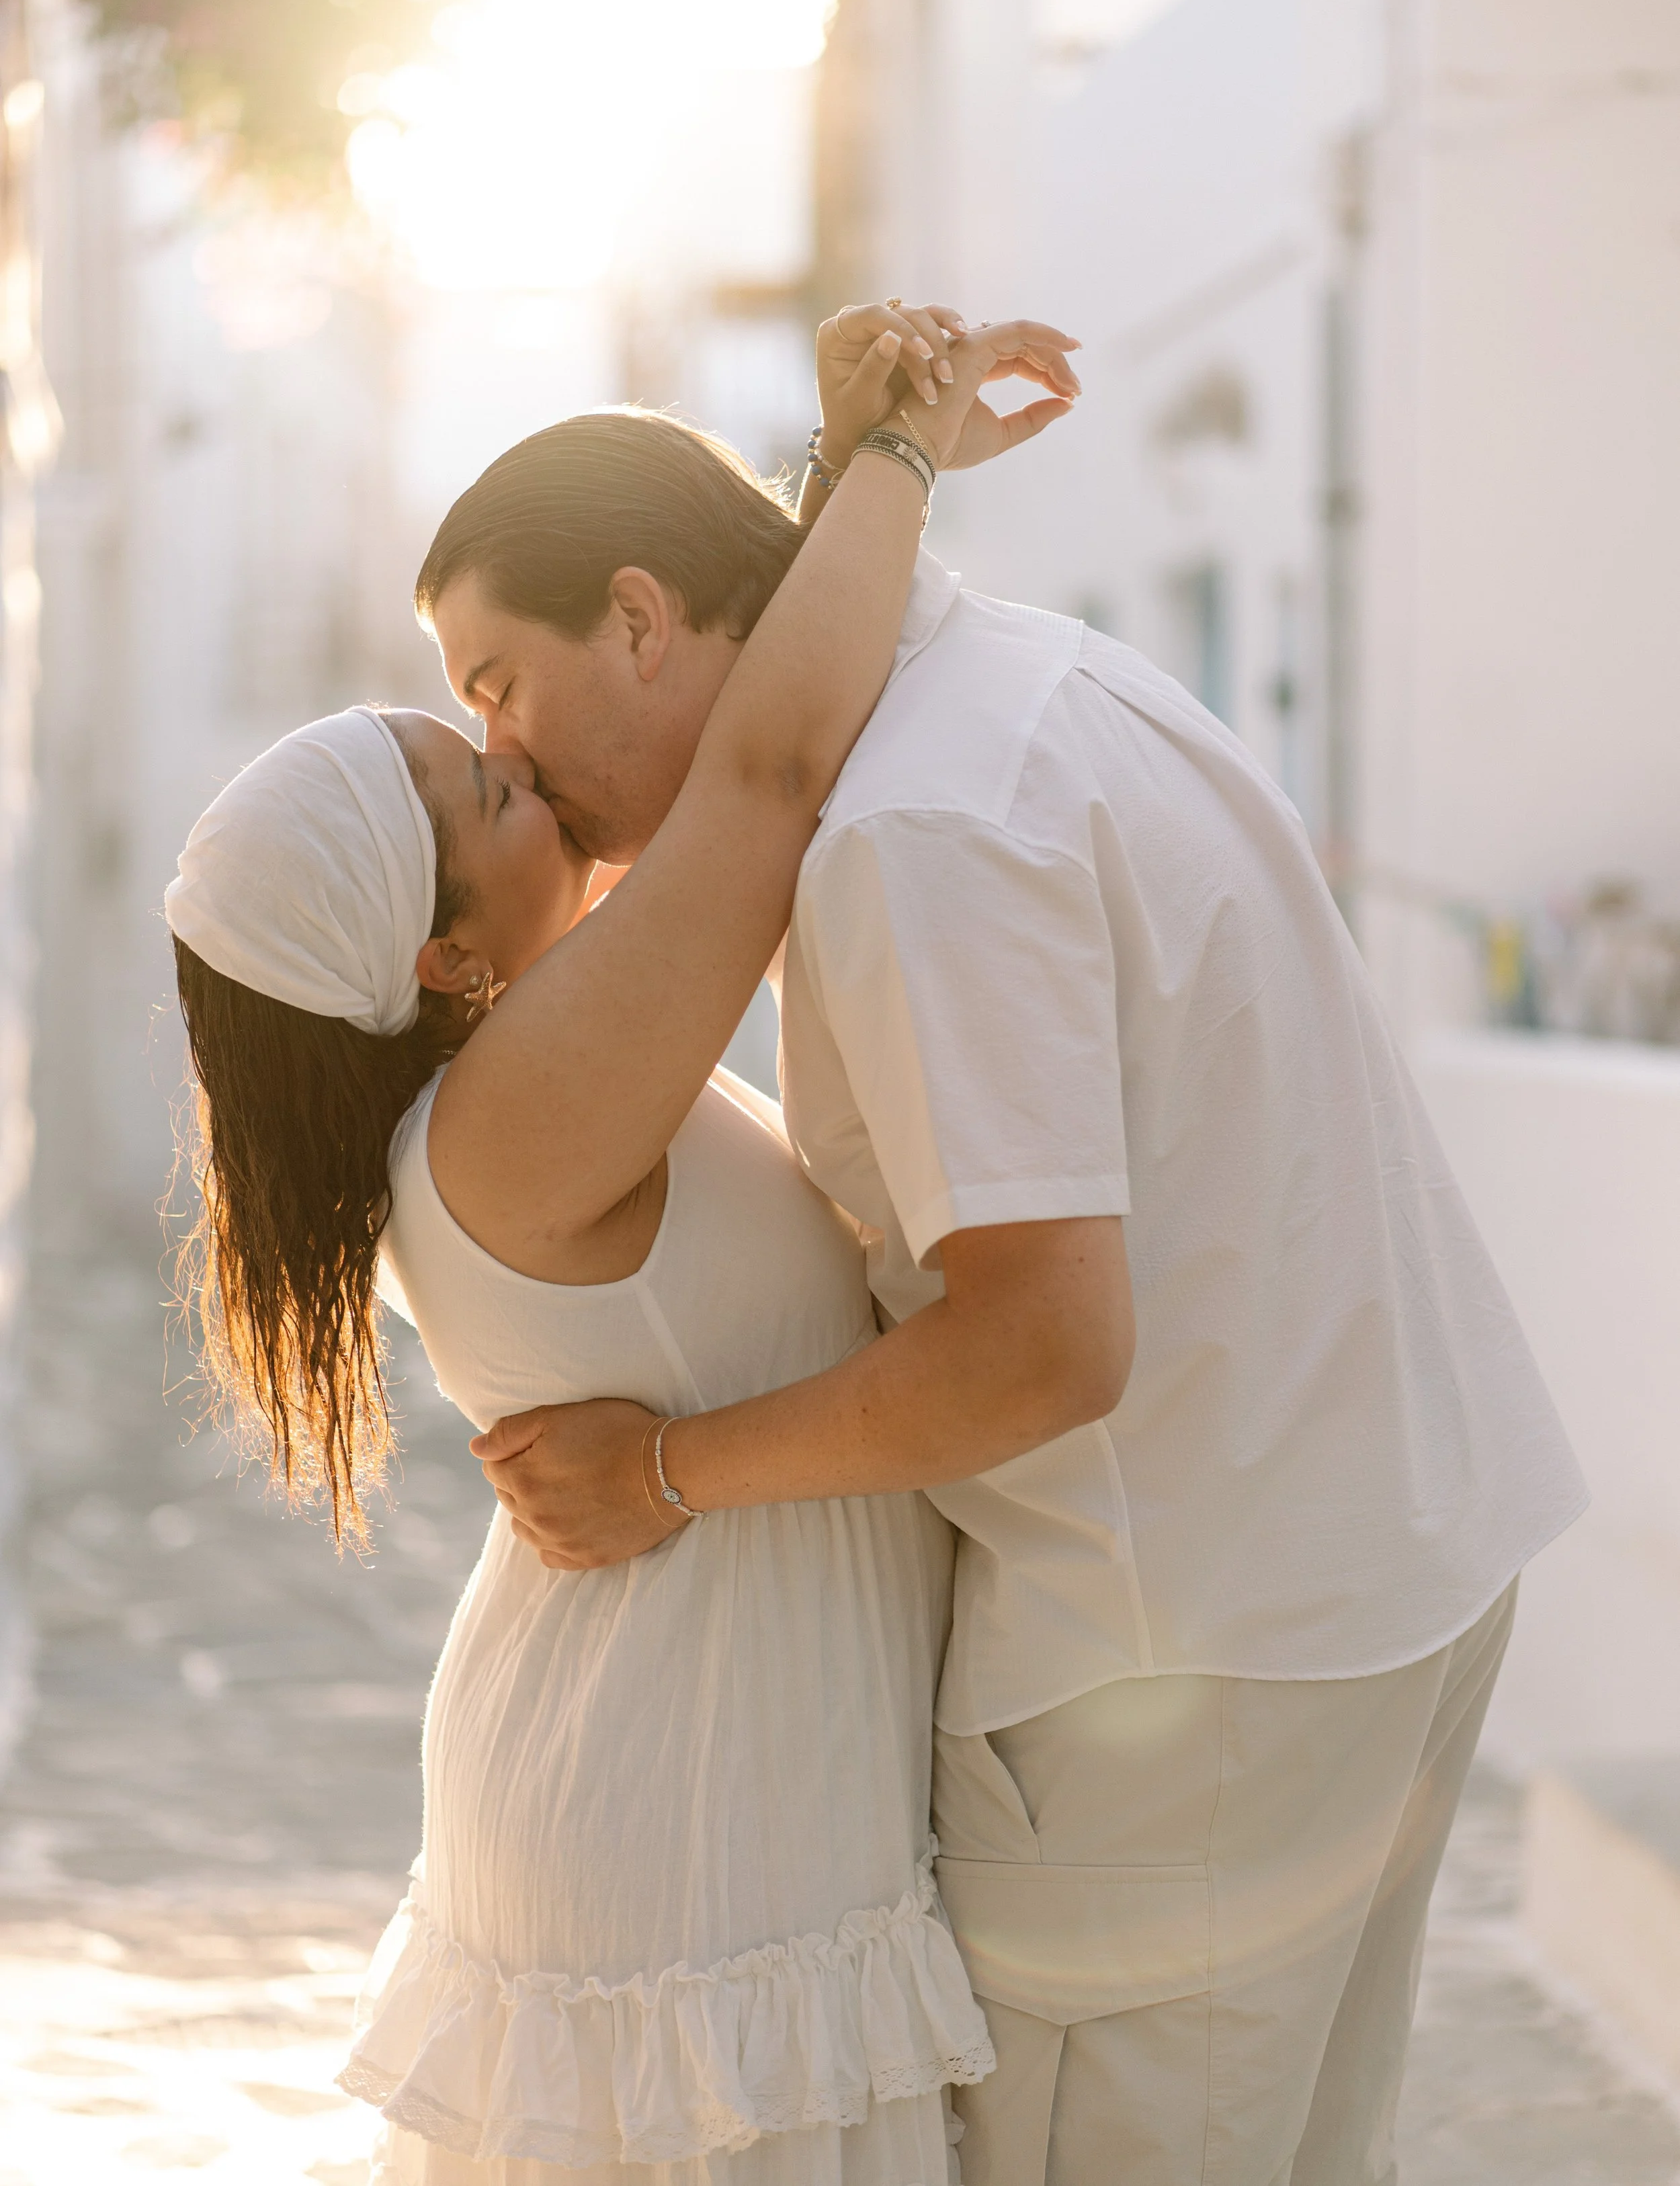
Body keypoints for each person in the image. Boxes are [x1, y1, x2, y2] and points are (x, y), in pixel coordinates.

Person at [425, 299, 1589, 2186]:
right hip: (1384, 1573)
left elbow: (1044, 1342)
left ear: (638, 618)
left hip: (1188, 1674)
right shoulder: (1045, 680)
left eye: (498, 681)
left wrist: (658, 1471)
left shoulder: (917, 832)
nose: (503, 749)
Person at [163, 312, 1083, 2186]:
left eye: (496, 716)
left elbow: (731, 729)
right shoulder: (509, 1117)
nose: (522, 753)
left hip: (697, 1800)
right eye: (488, 783)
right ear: (442, 956)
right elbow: (763, 773)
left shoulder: (510, 1093)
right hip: (680, 1834)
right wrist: (890, 459)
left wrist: (827, 502)